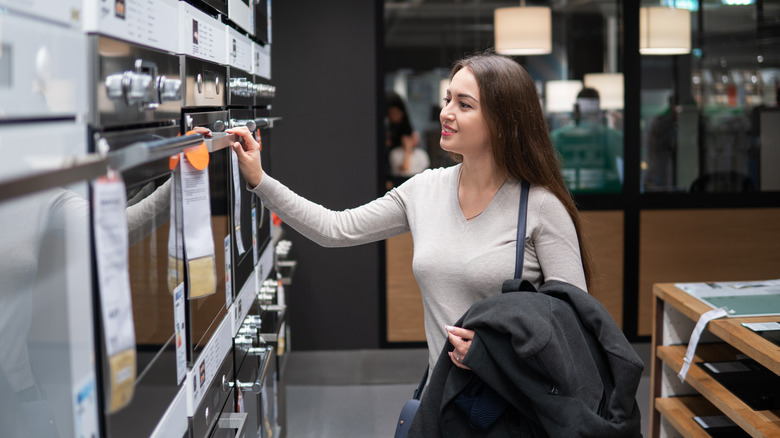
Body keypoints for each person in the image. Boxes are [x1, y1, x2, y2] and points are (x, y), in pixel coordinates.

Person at [227, 52, 592, 381]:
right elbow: (335, 229)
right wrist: (260, 180)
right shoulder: (424, 190)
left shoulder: (541, 207)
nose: (445, 112)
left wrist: (498, 351)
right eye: (448, 99)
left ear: (503, 121)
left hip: (515, 406)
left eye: (464, 105)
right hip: (444, 399)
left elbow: (574, 324)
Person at [551, 87, 623, 193]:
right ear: (599, 112)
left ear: (576, 111)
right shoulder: (613, 136)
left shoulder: (557, 137)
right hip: (607, 197)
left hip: (569, 195)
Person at [385, 92, 430, 185]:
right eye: (392, 113)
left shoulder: (421, 155)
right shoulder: (395, 154)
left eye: (397, 112)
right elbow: (404, 171)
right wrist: (407, 152)